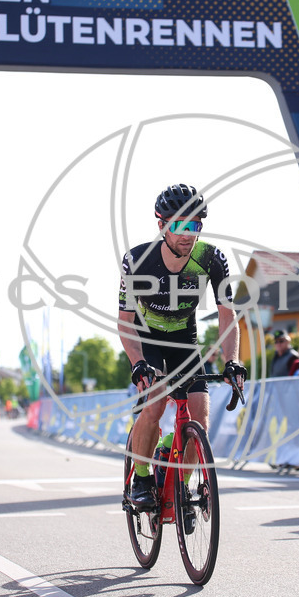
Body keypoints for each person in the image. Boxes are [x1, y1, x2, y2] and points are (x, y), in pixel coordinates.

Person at [118, 184, 246, 510]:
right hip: (147, 337)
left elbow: (228, 317)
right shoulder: (138, 260)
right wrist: (137, 363)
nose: (189, 234)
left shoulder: (211, 258)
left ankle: (179, 483)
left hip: (183, 338)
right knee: (156, 403)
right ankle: (142, 478)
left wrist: (232, 362)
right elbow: (125, 321)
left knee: (199, 416)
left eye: (196, 225)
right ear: (162, 226)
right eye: (180, 226)